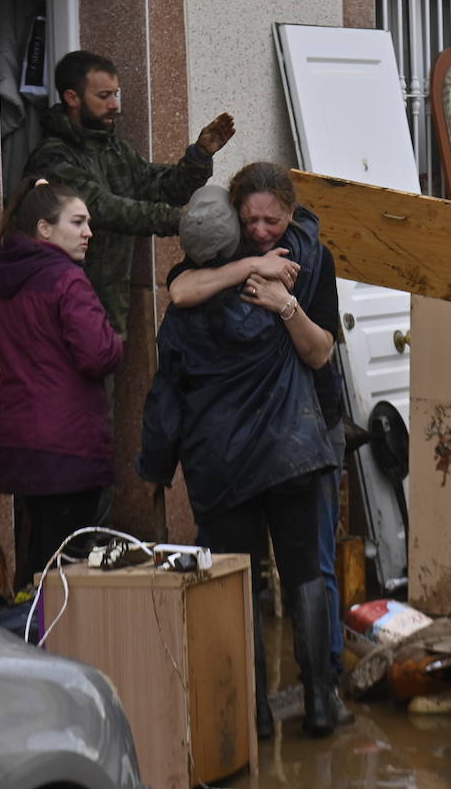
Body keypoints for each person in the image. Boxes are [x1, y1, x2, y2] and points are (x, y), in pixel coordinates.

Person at [137, 163, 347, 738]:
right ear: (233, 219)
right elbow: (321, 352)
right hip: (292, 454)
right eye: (249, 220)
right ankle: (320, 702)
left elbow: (166, 394)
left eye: (270, 220)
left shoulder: (191, 293)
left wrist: (156, 467)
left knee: (239, 584)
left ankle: (253, 715)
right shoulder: (290, 264)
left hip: (220, 465)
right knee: (306, 577)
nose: (260, 230)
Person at [23, 49, 236, 338]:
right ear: (72, 98)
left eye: (116, 94)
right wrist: (181, 221)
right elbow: (103, 208)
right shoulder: (53, 158)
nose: (115, 105)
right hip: (63, 309)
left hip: (109, 310)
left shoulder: (115, 150)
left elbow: (163, 187)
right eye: (103, 96)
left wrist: (199, 155)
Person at [0, 178, 123, 588]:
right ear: (44, 228)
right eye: (78, 222)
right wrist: (115, 339)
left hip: (24, 436)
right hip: (68, 443)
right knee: (65, 572)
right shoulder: (67, 278)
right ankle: (48, 646)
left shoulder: (5, 279)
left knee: (40, 554)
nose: (89, 232)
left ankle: (27, 637)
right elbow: (99, 353)